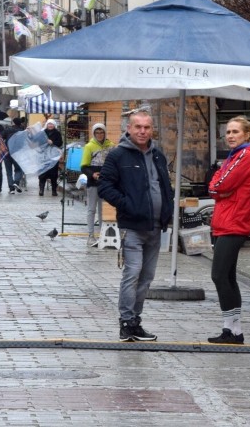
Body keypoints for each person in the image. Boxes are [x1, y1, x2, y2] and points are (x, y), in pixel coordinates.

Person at [98, 110, 173, 342]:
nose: (142, 131)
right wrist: (128, 205)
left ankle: (136, 320)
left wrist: (168, 210)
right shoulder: (118, 155)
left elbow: (164, 186)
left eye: (147, 127)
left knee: (147, 277)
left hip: (155, 225)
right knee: (132, 273)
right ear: (128, 128)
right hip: (133, 225)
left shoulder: (158, 155)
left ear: (152, 130)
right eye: (138, 127)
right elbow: (105, 187)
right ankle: (126, 322)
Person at [206, 117, 250, 345]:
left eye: (235, 132)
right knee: (228, 276)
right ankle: (232, 329)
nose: (230, 136)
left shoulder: (245, 156)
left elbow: (218, 185)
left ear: (246, 135)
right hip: (229, 221)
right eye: (228, 132)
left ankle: (232, 330)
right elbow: (219, 185)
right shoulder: (236, 156)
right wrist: (218, 187)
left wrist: (217, 187)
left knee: (219, 275)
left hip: (234, 221)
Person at [80, 122, 114, 246]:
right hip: (93, 182)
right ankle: (90, 235)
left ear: (105, 133)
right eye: (97, 132)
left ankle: (102, 235)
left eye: (101, 132)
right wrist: (92, 174)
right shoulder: (89, 146)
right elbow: (83, 166)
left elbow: (114, 164)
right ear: (94, 133)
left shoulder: (111, 146)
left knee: (103, 210)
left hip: (106, 182)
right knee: (92, 209)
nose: (99, 134)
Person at [38, 119, 63, 196]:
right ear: (47, 125)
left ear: (54, 125)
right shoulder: (42, 133)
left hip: (53, 157)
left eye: (52, 124)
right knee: (42, 173)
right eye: (49, 124)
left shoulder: (57, 133)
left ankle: (54, 191)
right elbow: (37, 142)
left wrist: (53, 142)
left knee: (54, 174)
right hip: (44, 156)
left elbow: (60, 143)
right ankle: (41, 190)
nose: (50, 125)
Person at [2, 117, 25, 193]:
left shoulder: (7, 130)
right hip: (17, 153)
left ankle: (11, 189)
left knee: (9, 172)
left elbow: (1, 137)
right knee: (18, 170)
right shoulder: (22, 131)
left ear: (13, 123)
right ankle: (16, 182)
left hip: (7, 153)